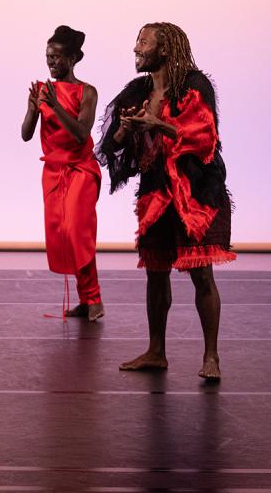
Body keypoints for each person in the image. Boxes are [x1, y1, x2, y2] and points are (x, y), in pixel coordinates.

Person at [97, 23, 235, 380]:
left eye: (143, 42)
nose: (135, 49)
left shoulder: (193, 85)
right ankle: (156, 351)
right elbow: (113, 144)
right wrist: (128, 127)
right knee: (156, 274)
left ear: (164, 50)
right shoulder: (138, 89)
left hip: (195, 193)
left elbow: (205, 137)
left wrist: (159, 123)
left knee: (201, 274)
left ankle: (211, 358)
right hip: (157, 191)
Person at [21, 25, 104, 320]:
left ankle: (95, 300)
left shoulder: (87, 92)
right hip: (54, 171)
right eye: (48, 57)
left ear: (73, 59)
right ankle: (86, 299)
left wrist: (55, 106)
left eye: (56, 57)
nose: (51, 62)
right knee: (62, 236)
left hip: (81, 169)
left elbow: (81, 133)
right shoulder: (44, 91)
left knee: (76, 231)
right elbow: (26, 135)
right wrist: (33, 108)